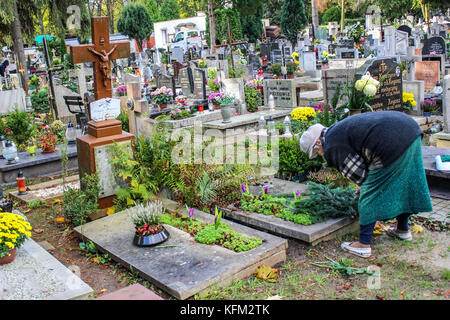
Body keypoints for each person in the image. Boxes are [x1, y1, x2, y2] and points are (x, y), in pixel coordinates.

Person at [299, 111, 432, 258]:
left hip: (393, 141)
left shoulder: (331, 146)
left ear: (318, 142)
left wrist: (362, 187)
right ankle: (402, 230)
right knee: (403, 183)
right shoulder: (336, 131)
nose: (320, 154)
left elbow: (362, 178)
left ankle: (363, 245)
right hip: (410, 130)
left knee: (369, 192)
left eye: (317, 152)